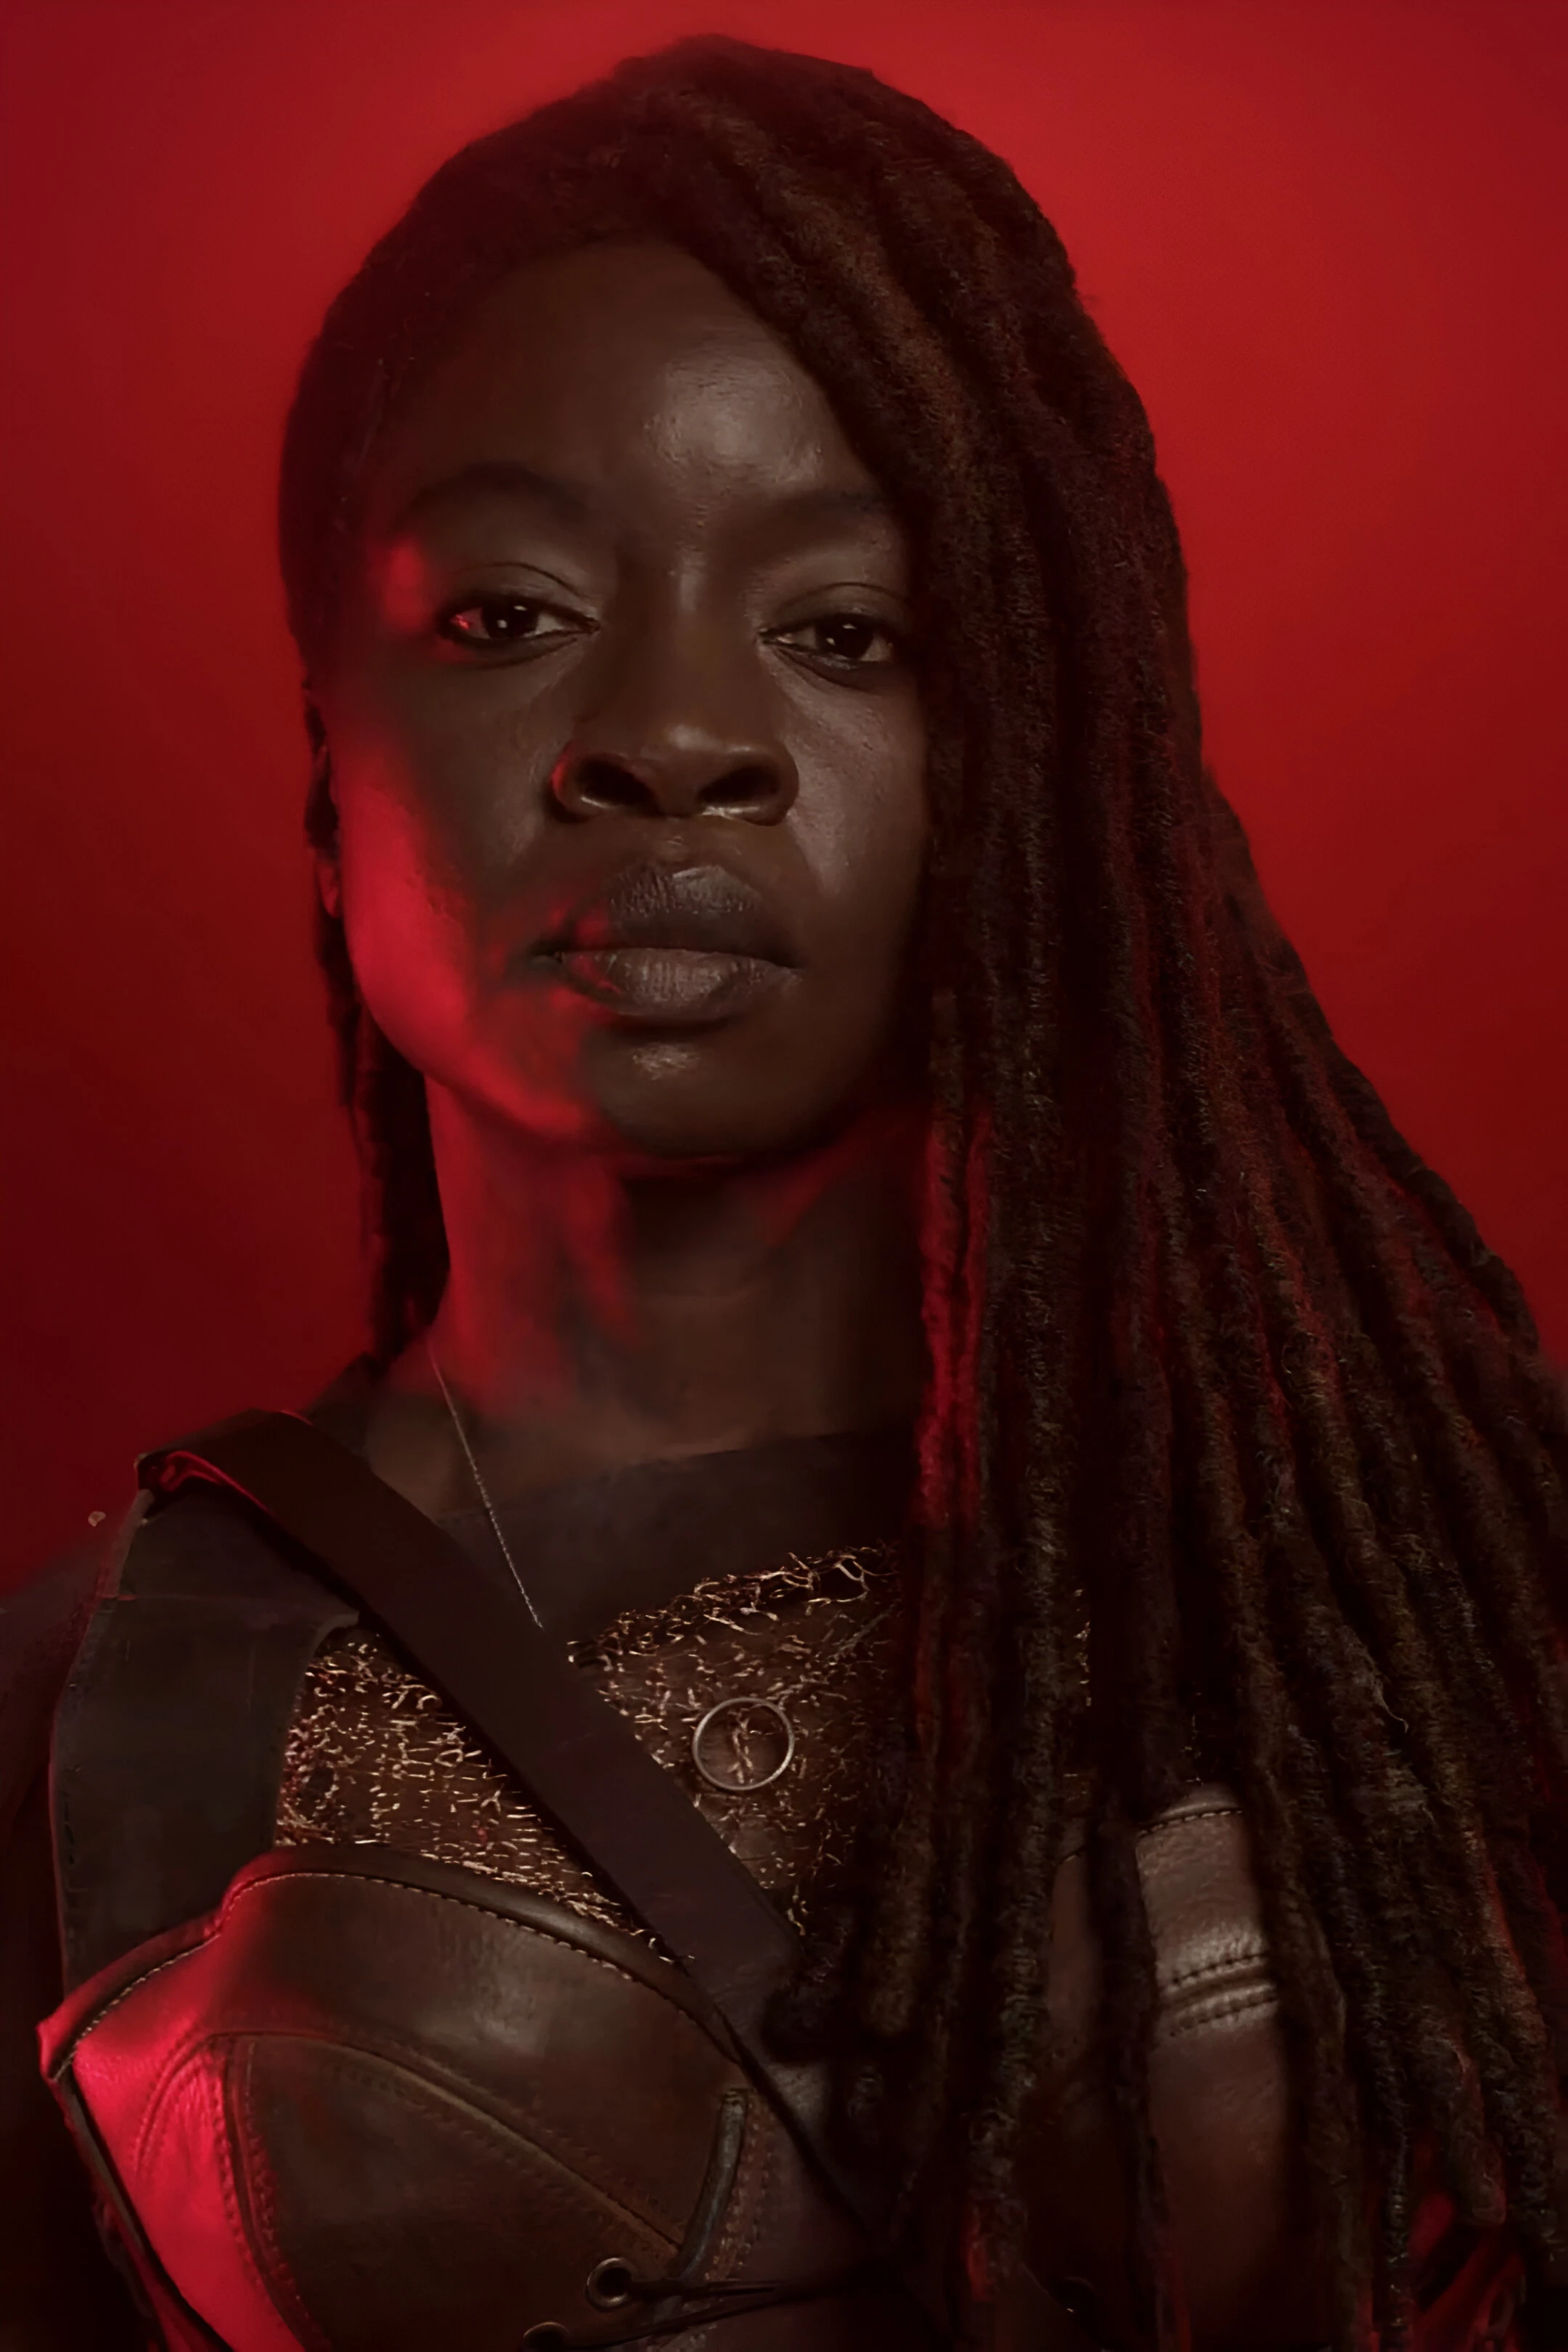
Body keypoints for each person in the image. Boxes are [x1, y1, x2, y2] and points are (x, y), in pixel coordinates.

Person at [1, 34, 1564, 2352]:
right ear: (330, 755)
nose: (672, 738)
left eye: (846, 630)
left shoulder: (1437, 1563)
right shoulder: (94, 1689)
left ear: (1050, 761)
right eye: (511, 614)